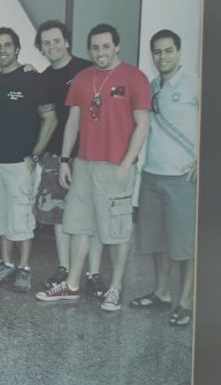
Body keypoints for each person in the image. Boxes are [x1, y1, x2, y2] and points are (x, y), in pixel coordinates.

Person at [36, 23, 150, 312]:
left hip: (115, 167)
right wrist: (65, 160)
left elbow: (143, 124)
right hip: (84, 165)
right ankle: (72, 285)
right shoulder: (83, 79)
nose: (100, 52)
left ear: (116, 46)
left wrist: (127, 163)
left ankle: (115, 288)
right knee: (78, 226)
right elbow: (72, 122)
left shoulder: (135, 77)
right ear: (89, 49)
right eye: (95, 47)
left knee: (117, 232)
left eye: (106, 46)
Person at [32, 20, 107, 299]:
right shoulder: (42, 78)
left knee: (93, 217)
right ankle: (64, 269)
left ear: (66, 42)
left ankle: (94, 274)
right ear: (41, 48)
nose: (52, 46)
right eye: (46, 43)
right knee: (58, 215)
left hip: (89, 155)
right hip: (56, 156)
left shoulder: (88, 70)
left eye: (56, 40)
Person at [130, 29, 197, 326]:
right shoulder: (152, 85)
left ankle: (186, 301)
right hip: (152, 174)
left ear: (178, 52)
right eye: (157, 52)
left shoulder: (194, 83)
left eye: (168, 50)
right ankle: (161, 293)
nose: (162, 57)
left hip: (182, 177)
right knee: (156, 239)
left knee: (184, 244)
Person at [0, 27, 57, 292]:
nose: (2, 50)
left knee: (21, 218)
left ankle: (24, 267)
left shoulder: (32, 79)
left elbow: (50, 119)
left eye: (7, 45)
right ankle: (6, 263)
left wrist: (35, 154)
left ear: (16, 49)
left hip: (20, 164)